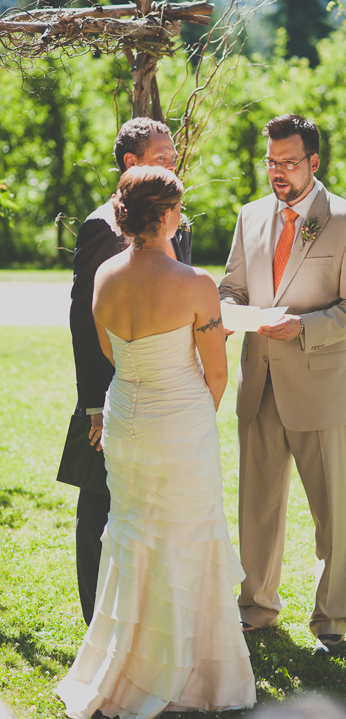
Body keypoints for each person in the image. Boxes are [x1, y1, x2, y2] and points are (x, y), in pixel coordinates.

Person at [56, 166, 255, 717]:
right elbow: (216, 373)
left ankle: (125, 665)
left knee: (133, 534)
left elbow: (109, 351)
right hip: (179, 420)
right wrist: (192, 416)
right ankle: (188, 675)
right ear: (167, 216)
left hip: (125, 417)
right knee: (186, 537)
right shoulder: (196, 284)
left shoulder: (105, 277)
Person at [219, 114, 346, 656]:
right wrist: (230, 310)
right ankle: (256, 608)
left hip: (322, 387)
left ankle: (331, 620)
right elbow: (233, 287)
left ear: (314, 162)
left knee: (330, 513)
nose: (277, 173)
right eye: (270, 161)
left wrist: (305, 327)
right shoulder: (250, 216)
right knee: (257, 507)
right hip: (258, 384)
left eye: (288, 162)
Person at [56, 117, 192, 626]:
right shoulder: (100, 227)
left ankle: (150, 619)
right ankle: (98, 621)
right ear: (131, 163)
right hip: (112, 395)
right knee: (100, 506)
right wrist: (96, 407)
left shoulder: (181, 220)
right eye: (163, 157)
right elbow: (83, 323)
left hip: (166, 395)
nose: (172, 165)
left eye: (173, 157)